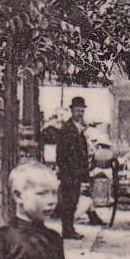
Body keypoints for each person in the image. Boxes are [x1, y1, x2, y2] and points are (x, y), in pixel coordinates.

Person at [54, 97, 89, 241]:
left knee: (73, 202)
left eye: (82, 111)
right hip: (69, 173)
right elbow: (61, 153)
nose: (80, 113)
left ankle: (69, 229)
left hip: (76, 173)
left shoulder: (78, 128)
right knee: (68, 203)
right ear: (72, 111)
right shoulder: (68, 129)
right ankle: (67, 230)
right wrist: (65, 171)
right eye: (77, 111)